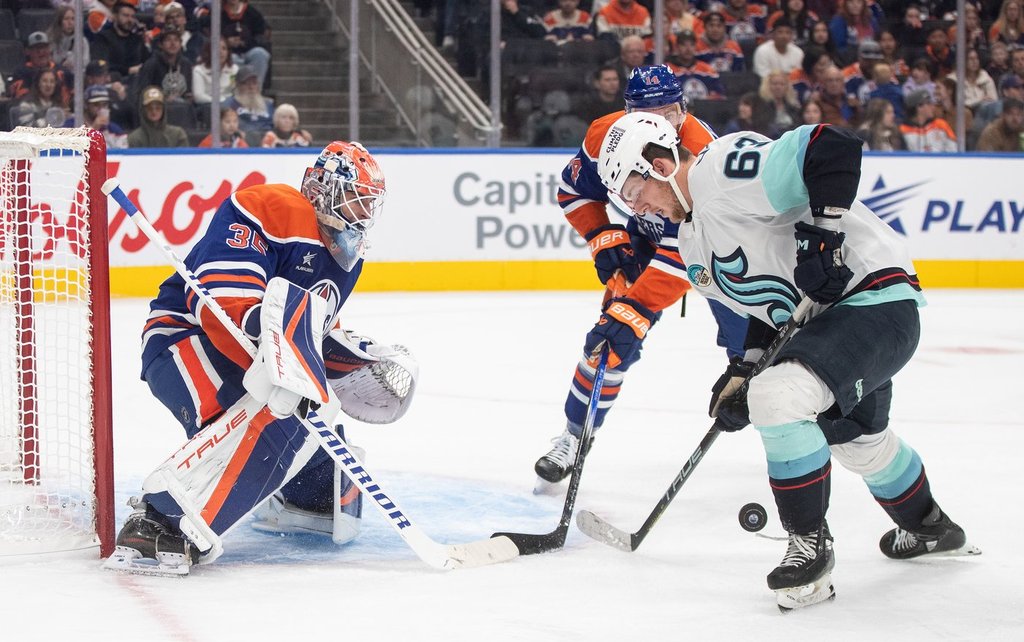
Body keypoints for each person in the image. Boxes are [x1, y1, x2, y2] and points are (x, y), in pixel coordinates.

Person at [594, 111, 976, 612]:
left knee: (779, 396)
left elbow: (831, 146)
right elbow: (767, 311)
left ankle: (809, 551)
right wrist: (743, 369)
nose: (636, 207)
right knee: (858, 443)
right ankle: (932, 529)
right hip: (830, 325)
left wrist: (823, 236)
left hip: (874, 300)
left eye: (633, 191)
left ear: (660, 164)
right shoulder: (691, 241)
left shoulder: (718, 169)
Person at [104, 142, 412, 576]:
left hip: (256, 362)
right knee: (265, 420)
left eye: (368, 204)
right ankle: (161, 520)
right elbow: (220, 298)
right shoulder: (273, 207)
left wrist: (359, 359)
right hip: (187, 338)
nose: (361, 213)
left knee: (317, 437)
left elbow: (313, 331)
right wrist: (277, 347)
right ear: (322, 188)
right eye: (353, 198)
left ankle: (301, 500)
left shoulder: (347, 260)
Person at [533, 65, 746, 485]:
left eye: (672, 113)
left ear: (683, 107)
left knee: (754, 356)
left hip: (721, 254)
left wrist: (638, 310)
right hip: (650, 237)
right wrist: (603, 235)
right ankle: (574, 436)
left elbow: (684, 252)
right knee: (609, 340)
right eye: (651, 115)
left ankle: (806, 438)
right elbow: (573, 191)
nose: (666, 124)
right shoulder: (607, 138)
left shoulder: (702, 156)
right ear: (628, 113)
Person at [223, 64, 274, 133]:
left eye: (254, 83)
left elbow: (273, 126)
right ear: (238, 85)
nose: (251, 87)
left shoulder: (268, 105)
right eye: (246, 83)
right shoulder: (229, 104)